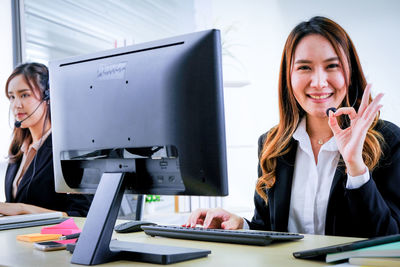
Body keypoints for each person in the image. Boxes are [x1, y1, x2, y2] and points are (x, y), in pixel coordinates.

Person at [185, 16, 400, 238]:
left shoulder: (387, 140)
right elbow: (270, 229)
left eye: (332, 66)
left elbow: (391, 241)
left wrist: (356, 166)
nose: (318, 82)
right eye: (304, 67)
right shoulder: (272, 144)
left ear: (350, 73)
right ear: (289, 76)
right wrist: (242, 226)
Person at [1, 62, 93, 217]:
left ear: (48, 96)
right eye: (12, 97)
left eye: (24, 95)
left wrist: (22, 209)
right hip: (19, 239)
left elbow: (82, 215)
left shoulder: (69, 149)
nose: (16, 105)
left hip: (55, 240)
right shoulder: (18, 148)